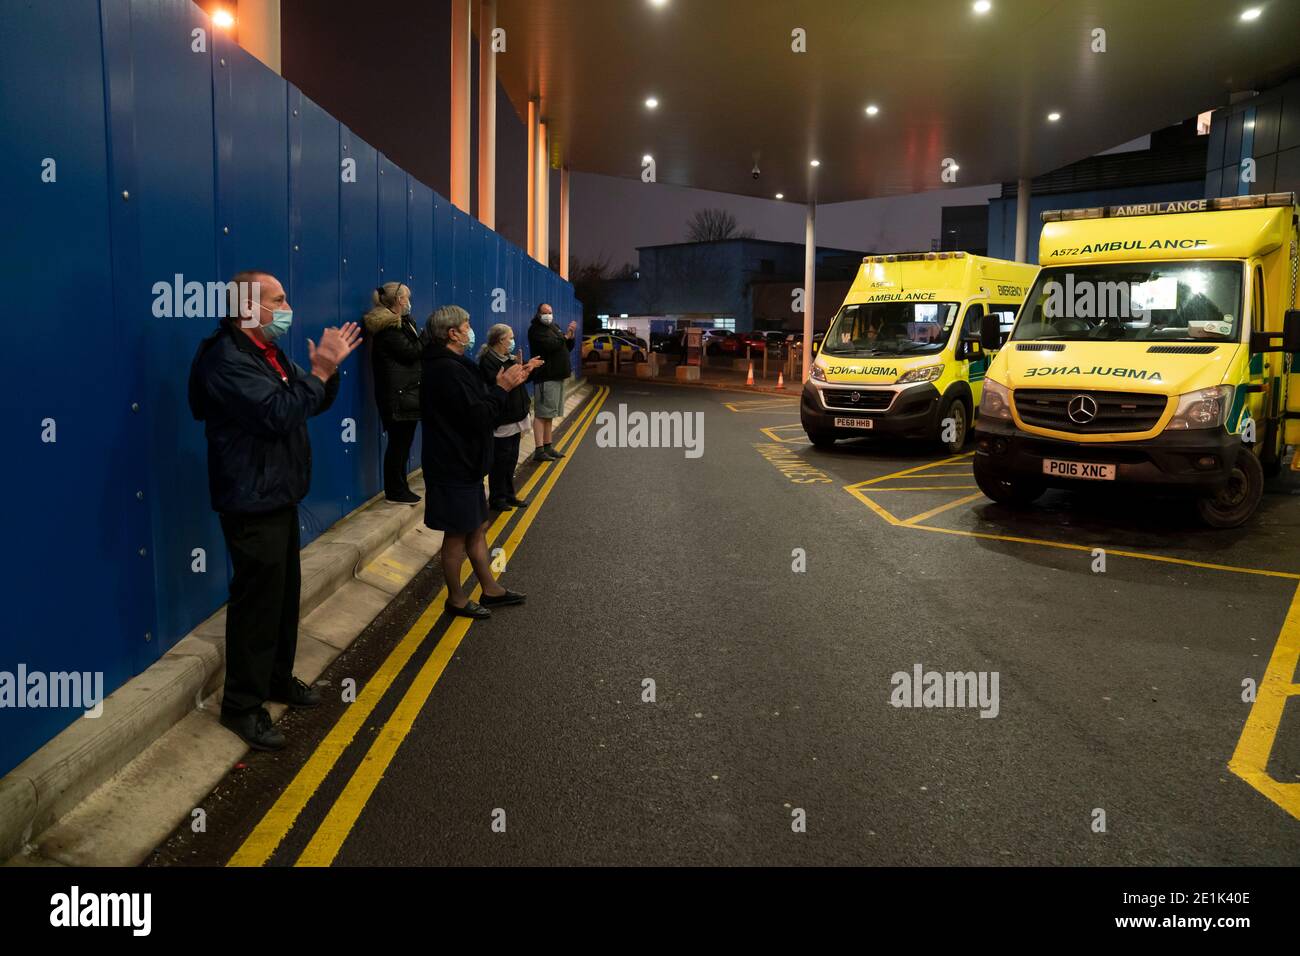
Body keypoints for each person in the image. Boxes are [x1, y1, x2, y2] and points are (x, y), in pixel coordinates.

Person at [188, 270, 362, 751]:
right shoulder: (225, 359)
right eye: (278, 299)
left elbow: (300, 403)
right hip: (250, 499)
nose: (287, 307)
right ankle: (242, 706)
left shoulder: (265, 351)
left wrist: (326, 374)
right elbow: (277, 414)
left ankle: (277, 679)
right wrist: (320, 372)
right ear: (249, 306)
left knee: (284, 599)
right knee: (257, 606)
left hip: (279, 495)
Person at [421, 306, 532, 619]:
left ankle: (490, 588)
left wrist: (499, 384)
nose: (471, 330)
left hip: (465, 463)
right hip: (453, 464)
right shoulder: (445, 370)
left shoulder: (455, 365)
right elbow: (478, 416)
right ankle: (456, 599)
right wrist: (502, 387)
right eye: (467, 324)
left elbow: (478, 403)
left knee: (477, 527)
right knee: (457, 532)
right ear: (453, 333)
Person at [363, 282, 422, 504]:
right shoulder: (388, 328)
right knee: (399, 445)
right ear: (399, 300)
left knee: (402, 444)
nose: (408, 302)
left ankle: (400, 487)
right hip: (397, 396)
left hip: (404, 393)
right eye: (406, 297)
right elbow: (411, 352)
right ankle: (395, 491)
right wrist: (427, 338)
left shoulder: (400, 323)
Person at [478, 323, 543, 511]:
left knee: (511, 459)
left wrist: (528, 369)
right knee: (500, 461)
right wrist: (520, 368)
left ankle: (509, 494)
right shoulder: (489, 361)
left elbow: (519, 381)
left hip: (516, 416)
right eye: (511, 337)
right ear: (500, 340)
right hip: (503, 419)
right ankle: (497, 498)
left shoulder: (509, 358)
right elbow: (501, 385)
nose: (513, 341)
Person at [526, 303, 577, 463]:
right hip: (545, 376)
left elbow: (566, 347)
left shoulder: (554, 327)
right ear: (538, 314)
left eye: (550, 312)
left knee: (550, 414)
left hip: (557, 376)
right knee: (542, 413)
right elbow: (550, 345)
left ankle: (548, 446)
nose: (548, 315)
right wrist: (564, 337)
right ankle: (539, 450)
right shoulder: (535, 330)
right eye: (545, 312)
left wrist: (570, 336)